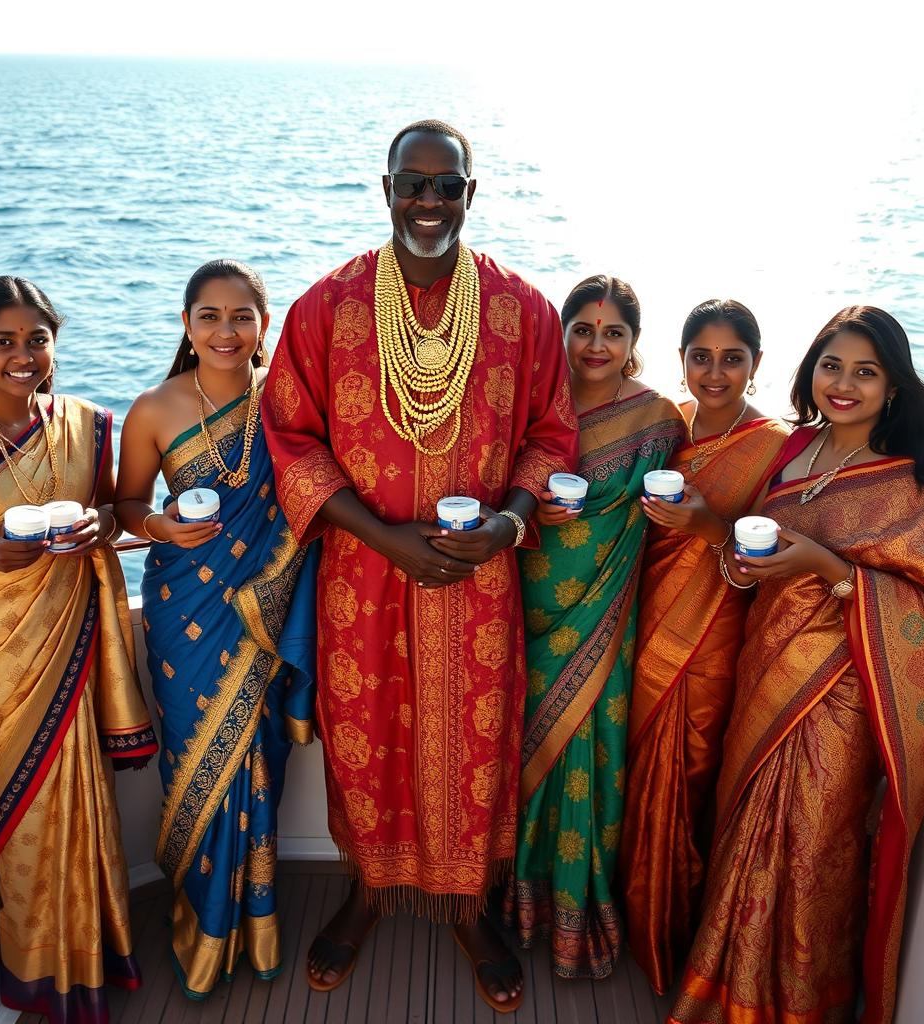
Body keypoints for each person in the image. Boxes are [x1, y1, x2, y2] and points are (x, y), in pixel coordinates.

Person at [261, 119, 578, 1012]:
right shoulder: (326, 306)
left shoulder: (523, 310)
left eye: (448, 186)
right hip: (363, 576)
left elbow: (554, 432)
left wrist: (512, 524)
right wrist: (382, 535)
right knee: (369, 742)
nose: (429, 202)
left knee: (473, 745)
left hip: (479, 581)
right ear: (387, 188)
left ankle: (466, 906)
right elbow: (289, 434)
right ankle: (370, 890)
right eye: (414, 184)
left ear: (471, 195)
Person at [669, 307, 924, 1024]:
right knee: (744, 827)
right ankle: (722, 990)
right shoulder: (792, 453)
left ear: (894, 384)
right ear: (809, 370)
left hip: (846, 693)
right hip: (765, 670)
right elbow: (744, 561)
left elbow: (923, 597)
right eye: (832, 365)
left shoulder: (917, 474)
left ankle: (796, 1007)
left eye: (865, 372)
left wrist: (829, 567)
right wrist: (722, 543)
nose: (844, 384)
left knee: (813, 845)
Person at [0, 276, 156, 1023]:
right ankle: (41, 977)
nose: (22, 355)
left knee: (88, 802)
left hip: (77, 636)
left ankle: (96, 957)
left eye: (37, 339)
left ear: (55, 344)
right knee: (26, 820)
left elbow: (120, 512)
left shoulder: (84, 423)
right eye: (3, 341)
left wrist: (101, 527)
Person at [114, 260, 318, 998]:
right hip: (184, 612)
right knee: (194, 758)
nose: (226, 332)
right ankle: (202, 921)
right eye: (210, 316)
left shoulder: (291, 401)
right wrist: (160, 523)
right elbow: (123, 507)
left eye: (242, 317)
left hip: (267, 609)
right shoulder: (154, 409)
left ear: (265, 324)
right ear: (186, 324)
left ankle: (254, 925)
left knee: (257, 756)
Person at [504, 274, 686, 979]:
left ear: (635, 344)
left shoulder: (660, 420)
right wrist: (530, 515)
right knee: (521, 747)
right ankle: (518, 907)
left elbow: (687, 506)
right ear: (562, 333)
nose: (597, 344)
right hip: (532, 608)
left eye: (614, 333)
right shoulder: (531, 410)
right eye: (583, 328)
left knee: (594, 757)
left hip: (608, 616)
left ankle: (582, 917)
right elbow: (497, 498)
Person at [619, 299, 788, 993]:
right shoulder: (664, 427)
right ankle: (636, 924)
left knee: (691, 779)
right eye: (701, 356)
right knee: (638, 775)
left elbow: (765, 555)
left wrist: (710, 525)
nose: (715, 372)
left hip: (717, 638)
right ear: (680, 359)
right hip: (643, 626)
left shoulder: (777, 445)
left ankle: (683, 938)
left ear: (756, 364)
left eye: (732, 358)